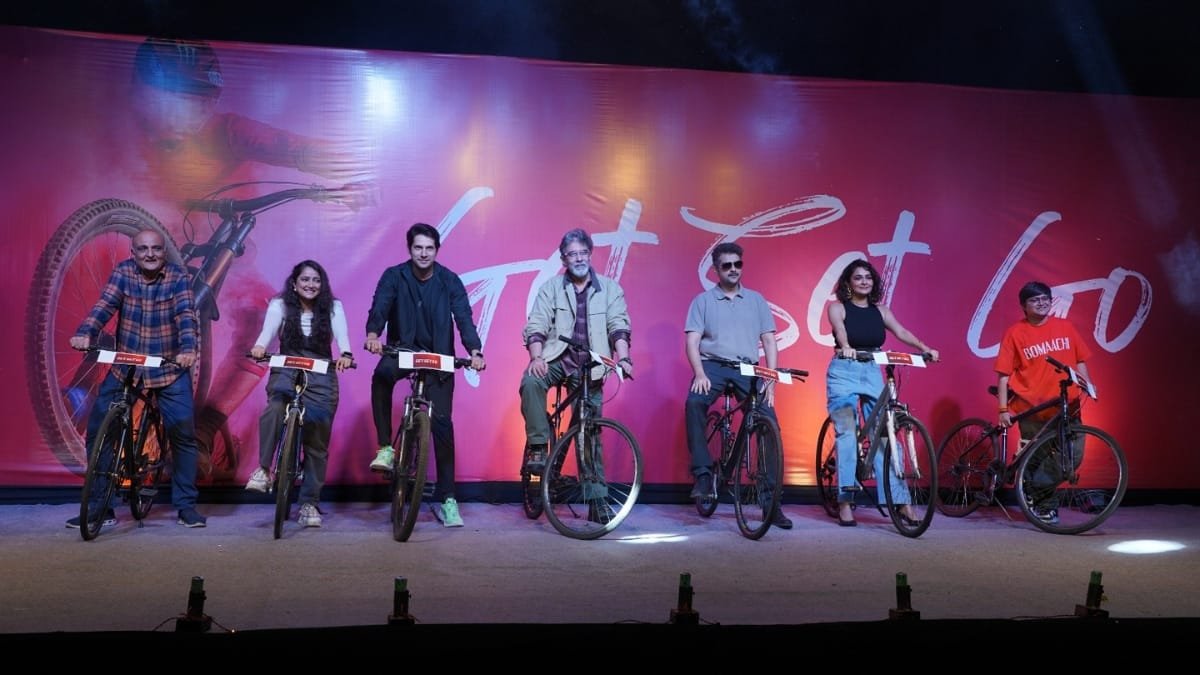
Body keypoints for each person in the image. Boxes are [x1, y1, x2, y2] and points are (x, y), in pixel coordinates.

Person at [127, 37, 370, 482]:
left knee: (266, 315)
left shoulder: (226, 131)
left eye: (205, 98)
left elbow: (290, 146)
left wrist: (350, 174)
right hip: (149, 249)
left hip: (224, 259)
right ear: (147, 93)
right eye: (184, 96)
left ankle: (204, 430)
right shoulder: (122, 135)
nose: (196, 109)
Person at [66, 228, 206, 528]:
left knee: (183, 435)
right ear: (133, 253)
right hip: (127, 367)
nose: (150, 254)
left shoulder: (178, 277)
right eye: (143, 249)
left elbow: (186, 315)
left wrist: (188, 349)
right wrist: (86, 332)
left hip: (168, 367)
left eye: (156, 248)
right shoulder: (124, 272)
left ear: (164, 252)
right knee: (99, 430)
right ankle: (101, 508)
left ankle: (186, 507)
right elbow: (105, 305)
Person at [365, 223, 486, 528]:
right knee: (381, 376)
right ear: (410, 249)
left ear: (437, 250)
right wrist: (373, 334)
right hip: (402, 351)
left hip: (438, 357)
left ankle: (448, 500)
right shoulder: (394, 276)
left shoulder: (449, 280)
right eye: (418, 247)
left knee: (442, 426)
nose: (423, 253)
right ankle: (386, 448)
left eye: (429, 248)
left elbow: (464, 317)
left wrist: (475, 351)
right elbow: (380, 306)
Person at [684, 242, 792, 529]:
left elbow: (769, 340)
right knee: (694, 402)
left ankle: (771, 504)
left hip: (748, 368)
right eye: (727, 265)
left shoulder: (756, 300)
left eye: (737, 264)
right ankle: (703, 474)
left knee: (769, 424)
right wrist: (699, 373)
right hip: (713, 365)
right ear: (716, 269)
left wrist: (770, 379)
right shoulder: (703, 301)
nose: (733, 269)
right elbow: (692, 342)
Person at [825, 259, 938, 527]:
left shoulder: (881, 311)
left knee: (885, 435)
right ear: (848, 283)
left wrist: (925, 348)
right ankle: (845, 501)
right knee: (847, 433)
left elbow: (901, 331)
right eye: (858, 277)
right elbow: (840, 330)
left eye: (868, 277)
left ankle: (901, 502)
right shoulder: (838, 307)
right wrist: (846, 346)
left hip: (872, 370)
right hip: (844, 371)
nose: (864, 281)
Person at [519, 229, 633, 486]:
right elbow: (537, 324)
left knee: (589, 430)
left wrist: (624, 359)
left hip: (591, 367)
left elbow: (618, 326)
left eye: (583, 253)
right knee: (531, 381)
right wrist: (536, 358)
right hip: (558, 359)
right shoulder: (551, 288)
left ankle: (596, 497)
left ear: (590, 255)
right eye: (572, 254)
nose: (579, 258)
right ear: (563, 259)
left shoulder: (610, 289)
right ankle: (538, 446)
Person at [245, 261, 354, 528]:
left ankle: (309, 503)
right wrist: (259, 347)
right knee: (274, 408)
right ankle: (263, 469)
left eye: (316, 280)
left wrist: (346, 354)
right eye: (305, 279)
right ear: (294, 284)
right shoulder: (280, 304)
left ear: (322, 284)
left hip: (321, 370)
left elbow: (342, 335)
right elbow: (268, 331)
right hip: (287, 366)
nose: (310, 285)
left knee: (317, 437)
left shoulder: (333, 307)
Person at [994, 281, 1093, 525]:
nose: (1041, 303)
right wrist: (1003, 409)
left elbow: (1080, 360)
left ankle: (1033, 490)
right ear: (1023, 306)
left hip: (1067, 405)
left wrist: (1087, 384)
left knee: (1073, 455)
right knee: (1036, 457)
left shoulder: (1066, 327)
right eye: (1034, 300)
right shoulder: (1015, 333)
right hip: (1032, 409)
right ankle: (1045, 505)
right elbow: (1003, 375)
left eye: (1045, 298)